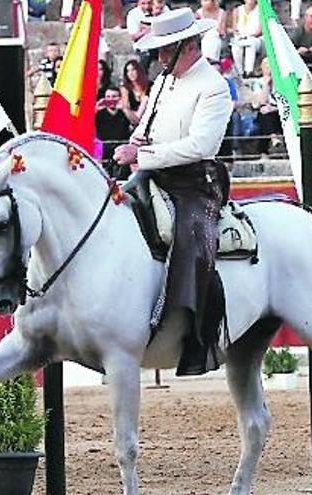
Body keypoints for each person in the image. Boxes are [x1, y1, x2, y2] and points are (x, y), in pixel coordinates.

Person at [113, 8, 233, 376]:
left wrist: (143, 154)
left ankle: (195, 333)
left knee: (190, 240)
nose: (160, 58)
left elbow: (200, 145)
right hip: (156, 175)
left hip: (196, 183)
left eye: (166, 51)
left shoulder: (213, 86)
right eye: (159, 51)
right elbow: (149, 124)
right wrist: (137, 142)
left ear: (190, 46)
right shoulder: (165, 80)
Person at [96, 86, 133, 180]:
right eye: (108, 97)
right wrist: (95, 109)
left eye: (114, 96)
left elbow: (136, 122)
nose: (111, 99)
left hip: (121, 147)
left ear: (120, 98)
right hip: (103, 148)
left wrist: (125, 109)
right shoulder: (99, 112)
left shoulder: (124, 111)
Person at [230, 0, 262, 78]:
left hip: (255, 38)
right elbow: (234, 28)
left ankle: (248, 71)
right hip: (240, 38)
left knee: (250, 44)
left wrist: (249, 35)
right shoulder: (237, 10)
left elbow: (260, 30)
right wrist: (239, 35)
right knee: (236, 47)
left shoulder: (260, 10)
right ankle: (239, 72)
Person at [120, 59, 150, 124]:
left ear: (139, 70)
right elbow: (126, 109)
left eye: (133, 69)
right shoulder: (125, 88)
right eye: (128, 71)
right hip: (131, 123)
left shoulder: (150, 86)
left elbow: (138, 116)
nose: (131, 73)